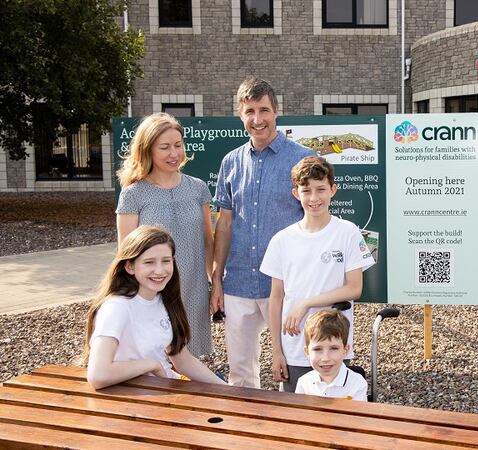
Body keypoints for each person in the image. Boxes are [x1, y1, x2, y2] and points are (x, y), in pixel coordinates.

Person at [212, 78, 314, 388]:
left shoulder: (303, 159)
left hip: (288, 283)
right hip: (239, 281)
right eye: (250, 112)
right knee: (241, 373)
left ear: (277, 111)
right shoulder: (230, 162)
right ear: (240, 115)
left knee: (295, 367)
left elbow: (315, 220)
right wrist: (216, 279)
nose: (258, 120)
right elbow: (225, 223)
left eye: (264, 110)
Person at [260, 156, 375, 394]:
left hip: (333, 344)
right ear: (296, 193)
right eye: (306, 191)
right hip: (296, 348)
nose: (314, 198)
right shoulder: (282, 240)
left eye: (321, 189)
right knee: (296, 418)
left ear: (333, 190)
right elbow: (276, 298)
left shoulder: (348, 232)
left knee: (338, 414)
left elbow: (354, 288)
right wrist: (276, 351)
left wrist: (306, 303)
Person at [116, 112, 214, 357]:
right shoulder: (133, 194)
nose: (174, 154)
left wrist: (214, 283)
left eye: (178, 145)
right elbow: (125, 253)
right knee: (156, 359)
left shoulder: (198, 188)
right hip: (152, 291)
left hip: (194, 287)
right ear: (147, 150)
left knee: (191, 360)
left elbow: (207, 241)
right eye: (165, 147)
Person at [84, 225, 225, 389]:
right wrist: (151, 365)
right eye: (149, 262)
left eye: (166, 261)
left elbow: (183, 361)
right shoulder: (117, 307)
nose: (160, 270)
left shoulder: (163, 298)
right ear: (129, 266)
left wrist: (228, 390)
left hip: (163, 386)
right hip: (137, 397)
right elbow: (98, 375)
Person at [295, 309, 368, 401]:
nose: (325, 358)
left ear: (345, 350)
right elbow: (300, 413)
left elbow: (358, 415)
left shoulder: (357, 383)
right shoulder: (304, 383)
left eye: (333, 348)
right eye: (318, 349)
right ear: (307, 352)